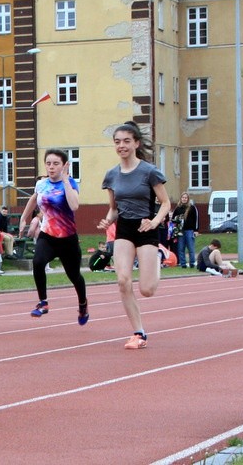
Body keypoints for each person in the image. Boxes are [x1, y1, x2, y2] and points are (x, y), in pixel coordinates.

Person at [98, 121, 170, 349]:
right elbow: (114, 208)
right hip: (124, 230)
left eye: (126, 141)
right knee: (123, 281)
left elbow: (166, 203)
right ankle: (139, 332)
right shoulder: (111, 175)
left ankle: (157, 256)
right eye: (117, 142)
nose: (122, 145)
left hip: (146, 228)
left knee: (147, 290)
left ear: (136, 143)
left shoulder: (149, 171)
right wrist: (108, 220)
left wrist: (155, 221)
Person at [19, 149, 88, 325]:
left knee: (74, 276)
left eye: (56, 164)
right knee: (38, 262)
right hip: (48, 236)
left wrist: (65, 180)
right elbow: (34, 199)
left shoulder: (70, 183)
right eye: (48, 163)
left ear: (64, 166)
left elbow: (74, 205)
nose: (51, 167)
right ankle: (43, 302)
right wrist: (23, 218)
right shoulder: (41, 184)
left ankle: (83, 304)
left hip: (68, 239)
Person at [172, 192, 199, 268]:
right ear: (181, 198)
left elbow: (196, 219)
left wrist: (196, 230)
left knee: (191, 248)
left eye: (186, 198)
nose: (184, 199)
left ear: (188, 199)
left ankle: (192, 263)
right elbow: (173, 219)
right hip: (180, 231)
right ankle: (183, 263)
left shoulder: (192, 208)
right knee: (181, 248)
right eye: (183, 197)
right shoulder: (177, 208)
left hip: (189, 230)